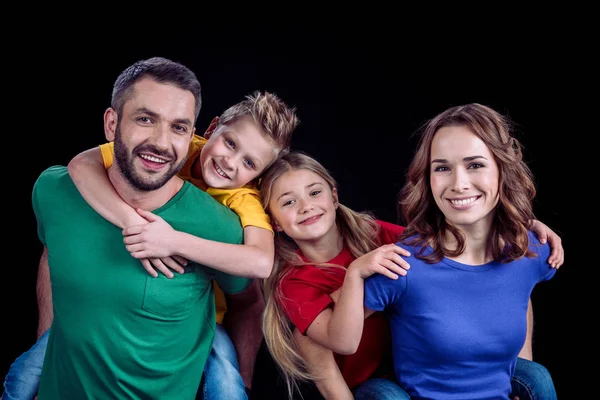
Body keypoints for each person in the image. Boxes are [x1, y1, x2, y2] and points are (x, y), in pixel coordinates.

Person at [2, 87, 299, 400]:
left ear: (259, 176)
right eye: (229, 143)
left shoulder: (242, 198)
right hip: (109, 310)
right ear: (211, 128)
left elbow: (261, 262)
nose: (230, 162)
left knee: (227, 378)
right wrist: (132, 222)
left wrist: (173, 242)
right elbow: (81, 165)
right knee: (26, 372)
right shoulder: (173, 146)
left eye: (249, 163)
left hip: (202, 319)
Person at [256, 151, 563, 399]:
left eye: (314, 192)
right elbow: (324, 348)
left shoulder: (380, 236)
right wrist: (355, 274)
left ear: (334, 197)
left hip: (433, 364)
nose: (306, 206)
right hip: (373, 384)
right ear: (276, 222)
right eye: (289, 202)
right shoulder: (293, 282)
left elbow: (454, 242)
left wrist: (519, 225)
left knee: (534, 376)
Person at [328, 103, 560, 399]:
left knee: (538, 377)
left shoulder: (532, 250)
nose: (459, 184)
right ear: (428, 177)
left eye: (475, 165)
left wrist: (521, 373)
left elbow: (519, 294)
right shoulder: (403, 265)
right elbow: (316, 330)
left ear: (503, 169)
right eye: (442, 168)